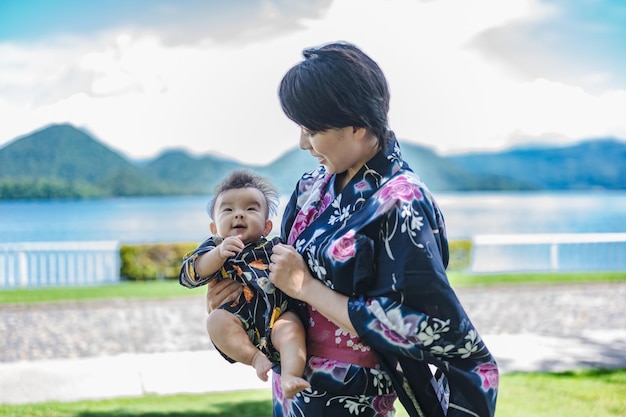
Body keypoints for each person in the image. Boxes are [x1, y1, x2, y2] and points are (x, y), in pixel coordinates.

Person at [206, 42, 499, 417]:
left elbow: (432, 326)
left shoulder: (402, 200)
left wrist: (306, 288)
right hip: (292, 385)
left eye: (312, 130)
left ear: (358, 125)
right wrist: (238, 297)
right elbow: (279, 273)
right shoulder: (312, 187)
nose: (302, 143)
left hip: (353, 396)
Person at [179, 169, 310, 399]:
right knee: (216, 321)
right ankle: (254, 358)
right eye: (228, 209)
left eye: (250, 209)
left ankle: (290, 375)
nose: (238, 215)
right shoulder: (215, 250)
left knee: (292, 328)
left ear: (267, 227)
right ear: (214, 228)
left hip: (277, 317)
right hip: (238, 320)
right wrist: (218, 254)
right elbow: (189, 274)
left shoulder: (274, 247)